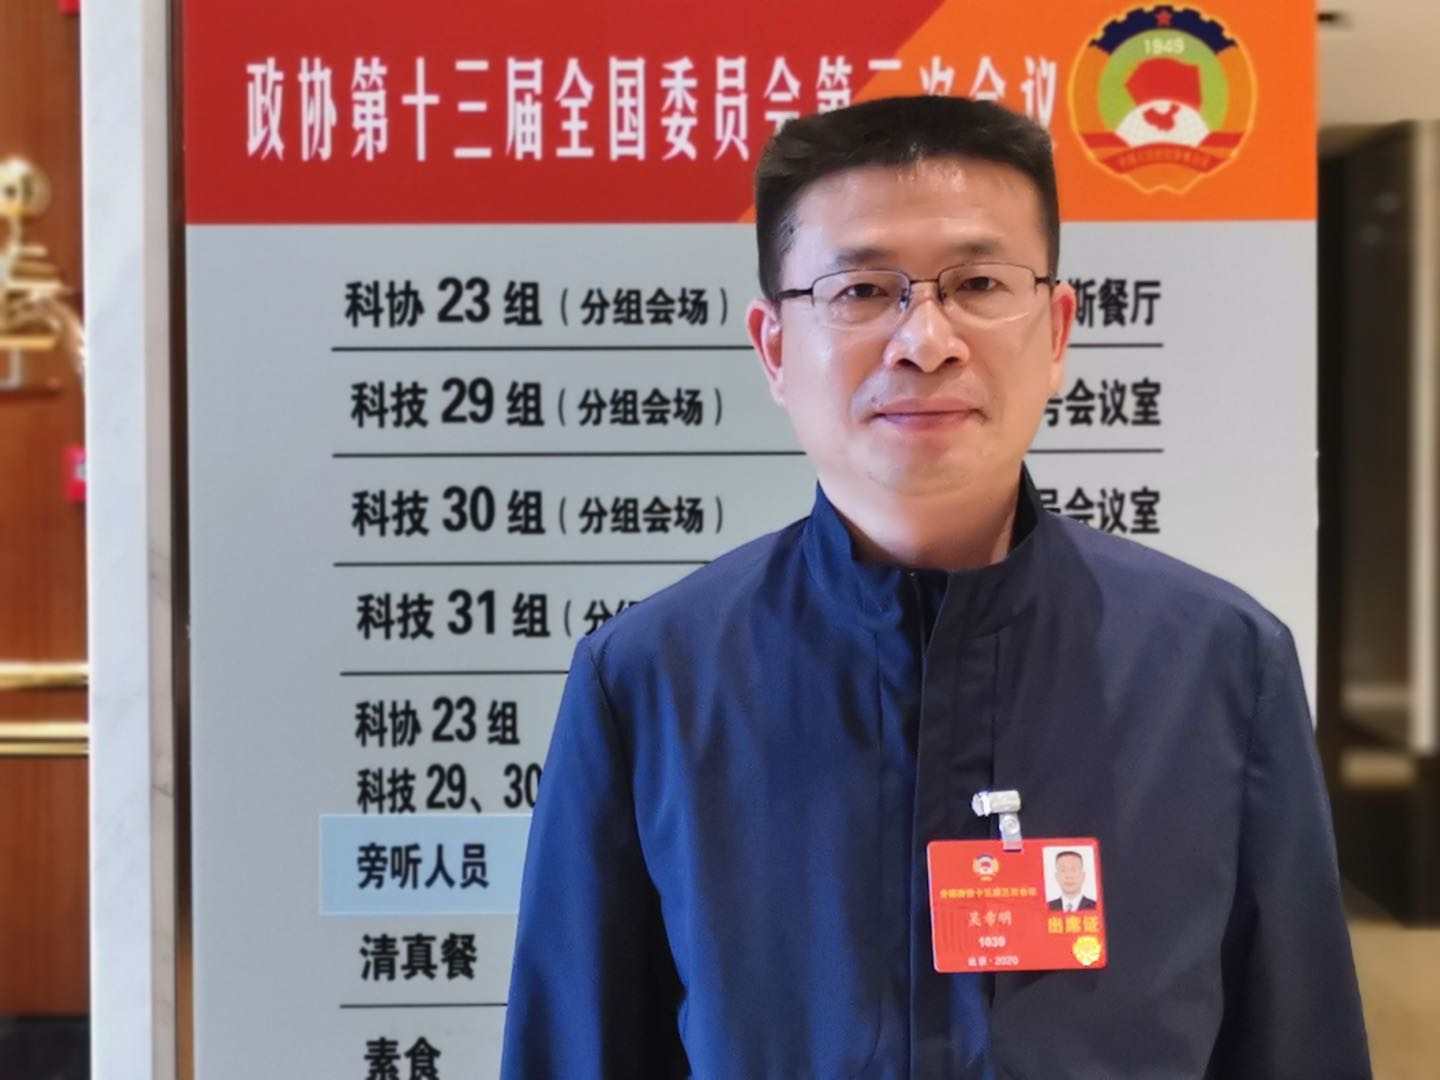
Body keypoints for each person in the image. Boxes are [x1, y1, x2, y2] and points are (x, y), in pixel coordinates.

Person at [501, 96, 1370, 1079]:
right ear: (775, 348)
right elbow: (576, 1052)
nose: (925, 339)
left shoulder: (1221, 666)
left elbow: (1299, 1045)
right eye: (862, 290)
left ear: (1056, 331)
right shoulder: (649, 681)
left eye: (979, 283)